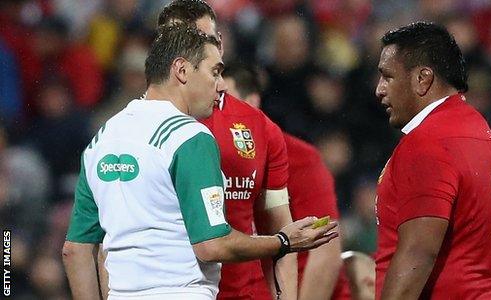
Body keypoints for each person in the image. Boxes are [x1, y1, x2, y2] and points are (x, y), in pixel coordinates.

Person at [62, 24, 337, 300]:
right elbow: (211, 244)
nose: (220, 86)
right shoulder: (189, 136)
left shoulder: (103, 139)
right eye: (215, 72)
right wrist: (283, 242)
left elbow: (75, 249)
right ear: (181, 71)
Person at [156, 2, 298, 299]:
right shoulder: (129, 132)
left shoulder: (259, 127)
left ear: (219, 43)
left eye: (204, 40)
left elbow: (280, 231)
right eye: (179, 42)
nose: (192, 51)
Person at [374, 22, 491, 299]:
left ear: (423, 78)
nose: (380, 90)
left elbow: (418, 253)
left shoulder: (428, 142)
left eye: (388, 77)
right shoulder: (475, 129)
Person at [220, 63, 350, 300]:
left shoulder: (299, 158)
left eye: (226, 99)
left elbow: (325, 252)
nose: (219, 110)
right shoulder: (206, 156)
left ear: (253, 100)